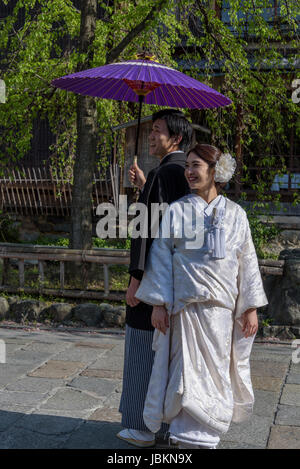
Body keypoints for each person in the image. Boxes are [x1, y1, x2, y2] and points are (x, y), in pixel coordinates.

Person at [135, 143, 268, 449]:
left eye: (196, 166)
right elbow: (161, 257)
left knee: (217, 369)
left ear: (215, 172)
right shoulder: (178, 210)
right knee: (185, 370)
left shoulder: (236, 215)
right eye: (188, 166)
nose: (189, 172)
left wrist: (249, 307)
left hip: (220, 312)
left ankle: (208, 433)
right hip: (185, 309)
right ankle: (183, 435)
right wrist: (158, 303)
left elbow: (246, 261)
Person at [117, 109, 193, 447]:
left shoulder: (166, 174)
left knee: (141, 347)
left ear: (175, 138)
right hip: (175, 278)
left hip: (153, 279)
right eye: (149, 130)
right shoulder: (178, 172)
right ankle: (165, 424)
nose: (150, 136)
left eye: (157, 131)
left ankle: (139, 424)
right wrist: (147, 185)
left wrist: (137, 277)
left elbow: (152, 231)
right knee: (166, 352)